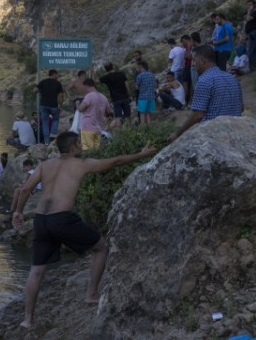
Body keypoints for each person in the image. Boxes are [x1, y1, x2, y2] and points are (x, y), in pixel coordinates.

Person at [11, 131, 157, 329]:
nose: (82, 146)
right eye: (79, 143)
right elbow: (116, 161)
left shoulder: (45, 166)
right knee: (101, 248)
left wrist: (18, 212)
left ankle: (27, 320)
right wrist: (142, 154)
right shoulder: (81, 164)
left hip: (41, 220)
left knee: (36, 271)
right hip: (62, 219)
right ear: (72, 148)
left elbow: (26, 189)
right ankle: (91, 295)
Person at [168, 45, 244, 143]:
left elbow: (198, 115)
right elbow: (241, 107)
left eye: (194, 60)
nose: (192, 64)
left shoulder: (204, 80)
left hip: (214, 137)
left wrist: (177, 134)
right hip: (236, 134)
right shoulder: (232, 79)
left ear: (202, 60)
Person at [77, 78, 112, 151]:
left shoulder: (89, 96)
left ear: (86, 86)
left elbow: (81, 109)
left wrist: (77, 104)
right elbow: (109, 112)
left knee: (87, 152)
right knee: (96, 152)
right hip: (98, 128)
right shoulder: (103, 97)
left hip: (87, 127)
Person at [34, 69, 64, 145]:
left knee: (45, 123)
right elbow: (60, 96)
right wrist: (60, 105)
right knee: (56, 119)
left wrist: (40, 91)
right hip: (53, 105)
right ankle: (53, 134)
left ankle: (46, 141)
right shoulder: (58, 83)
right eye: (57, 74)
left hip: (43, 105)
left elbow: (34, 90)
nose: (58, 76)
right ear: (54, 74)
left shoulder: (43, 82)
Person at [99, 62, 132, 126]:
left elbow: (95, 81)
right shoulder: (121, 74)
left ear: (106, 70)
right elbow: (127, 85)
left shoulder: (106, 77)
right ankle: (130, 131)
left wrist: (90, 71)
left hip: (116, 99)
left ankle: (119, 134)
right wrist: (130, 95)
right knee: (128, 116)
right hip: (125, 97)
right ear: (113, 67)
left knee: (118, 117)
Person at [134, 60, 156, 125]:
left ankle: (143, 131)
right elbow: (155, 85)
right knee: (148, 114)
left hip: (143, 97)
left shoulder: (140, 76)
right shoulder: (152, 75)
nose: (138, 68)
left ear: (141, 66)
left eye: (138, 67)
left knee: (142, 114)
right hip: (151, 97)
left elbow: (136, 87)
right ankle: (149, 129)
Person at [244, 0, 256, 72]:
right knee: (251, 50)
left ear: (254, 5)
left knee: (251, 50)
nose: (248, 6)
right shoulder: (251, 13)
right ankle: (253, 67)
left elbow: (248, 19)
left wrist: (249, 11)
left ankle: (253, 67)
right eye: (248, 5)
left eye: (250, 4)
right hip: (250, 33)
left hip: (253, 32)